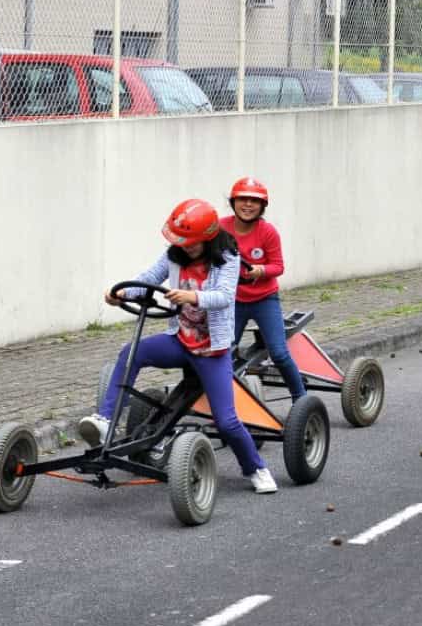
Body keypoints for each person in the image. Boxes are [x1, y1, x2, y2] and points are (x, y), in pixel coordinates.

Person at [79, 199, 278, 494]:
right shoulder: (174, 255)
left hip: (212, 350)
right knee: (131, 352)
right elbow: (148, 280)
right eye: (182, 242)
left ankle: (256, 468)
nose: (186, 248)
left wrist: (192, 297)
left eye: (192, 243)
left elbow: (224, 296)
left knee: (226, 421)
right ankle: (105, 420)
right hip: (180, 340)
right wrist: (119, 292)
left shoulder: (227, 256)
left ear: (208, 238)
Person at [224, 176, 307, 402]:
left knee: (279, 353)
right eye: (243, 199)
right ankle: (227, 402)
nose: (248, 205)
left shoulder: (267, 232)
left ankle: (301, 399)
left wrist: (261, 271)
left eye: (254, 201)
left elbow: (278, 266)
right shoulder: (221, 228)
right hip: (233, 300)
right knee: (225, 354)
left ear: (262, 206)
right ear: (233, 202)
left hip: (264, 299)